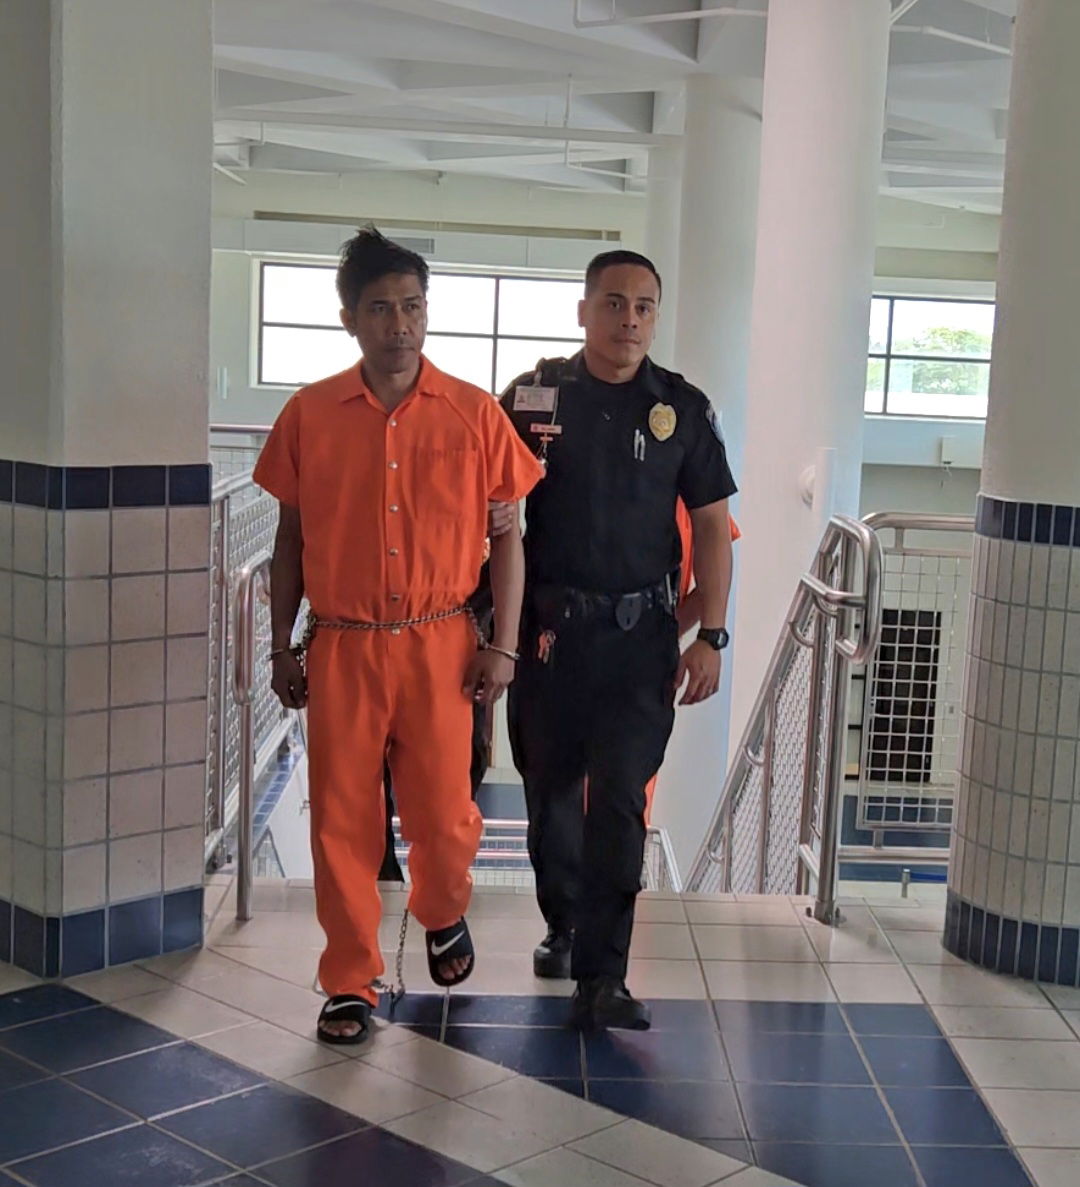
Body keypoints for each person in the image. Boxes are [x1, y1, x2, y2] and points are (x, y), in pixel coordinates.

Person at [255, 228, 543, 1045]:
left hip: (442, 642)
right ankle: (351, 976)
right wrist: (281, 644)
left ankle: (441, 906)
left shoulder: (474, 412)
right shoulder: (308, 414)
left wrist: (506, 644)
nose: (399, 325)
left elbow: (510, 537)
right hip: (342, 643)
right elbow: (288, 542)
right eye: (380, 309)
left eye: (412, 307)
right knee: (341, 818)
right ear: (349, 318)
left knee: (445, 815)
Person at [503, 249, 737, 1030]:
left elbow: (711, 528)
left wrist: (712, 634)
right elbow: (487, 514)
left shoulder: (682, 408)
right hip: (548, 640)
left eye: (643, 306)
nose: (628, 319)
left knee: (620, 809)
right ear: (583, 311)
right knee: (552, 796)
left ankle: (603, 975)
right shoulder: (534, 396)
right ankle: (563, 923)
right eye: (612, 303)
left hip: (641, 646)